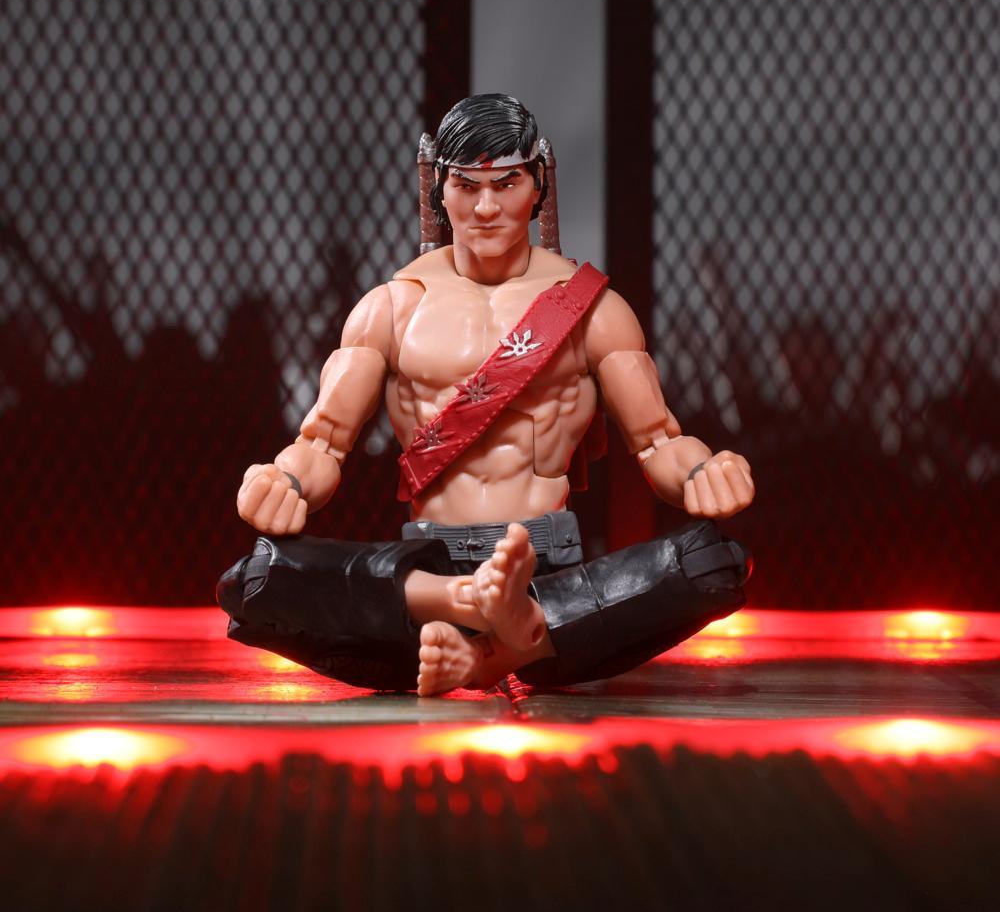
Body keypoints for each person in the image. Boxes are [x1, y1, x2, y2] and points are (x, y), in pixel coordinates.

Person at [217, 93, 754, 695]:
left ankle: (490, 646)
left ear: (538, 185)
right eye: (467, 186)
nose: (487, 206)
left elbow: (658, 443)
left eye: (507, 183)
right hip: (426, 572)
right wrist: (284, 481)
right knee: (257, 578)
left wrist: (702, 472)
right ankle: (484, 617)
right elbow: (322, 444)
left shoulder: (593, 311)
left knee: (713, 561)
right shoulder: (390, 310)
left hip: (547, 574)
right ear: (438, 190)